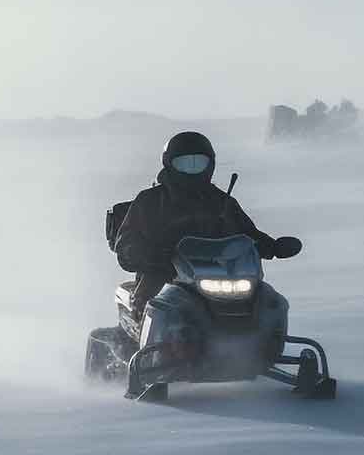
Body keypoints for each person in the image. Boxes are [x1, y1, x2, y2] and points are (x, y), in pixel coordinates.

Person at [110, 132, 279, 317]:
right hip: (164, 271)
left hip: (217, 273)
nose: (191, 169)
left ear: (210, 165)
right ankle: (147, 326)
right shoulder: (150, 200)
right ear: (169, 164)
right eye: (184, 164)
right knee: (152, 302)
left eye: (198, 163)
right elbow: (127, 238)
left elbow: (247, 233)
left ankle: (269, 336)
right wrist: (138, 251)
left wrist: (272, 246)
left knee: (267, 298)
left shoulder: (222, 201)